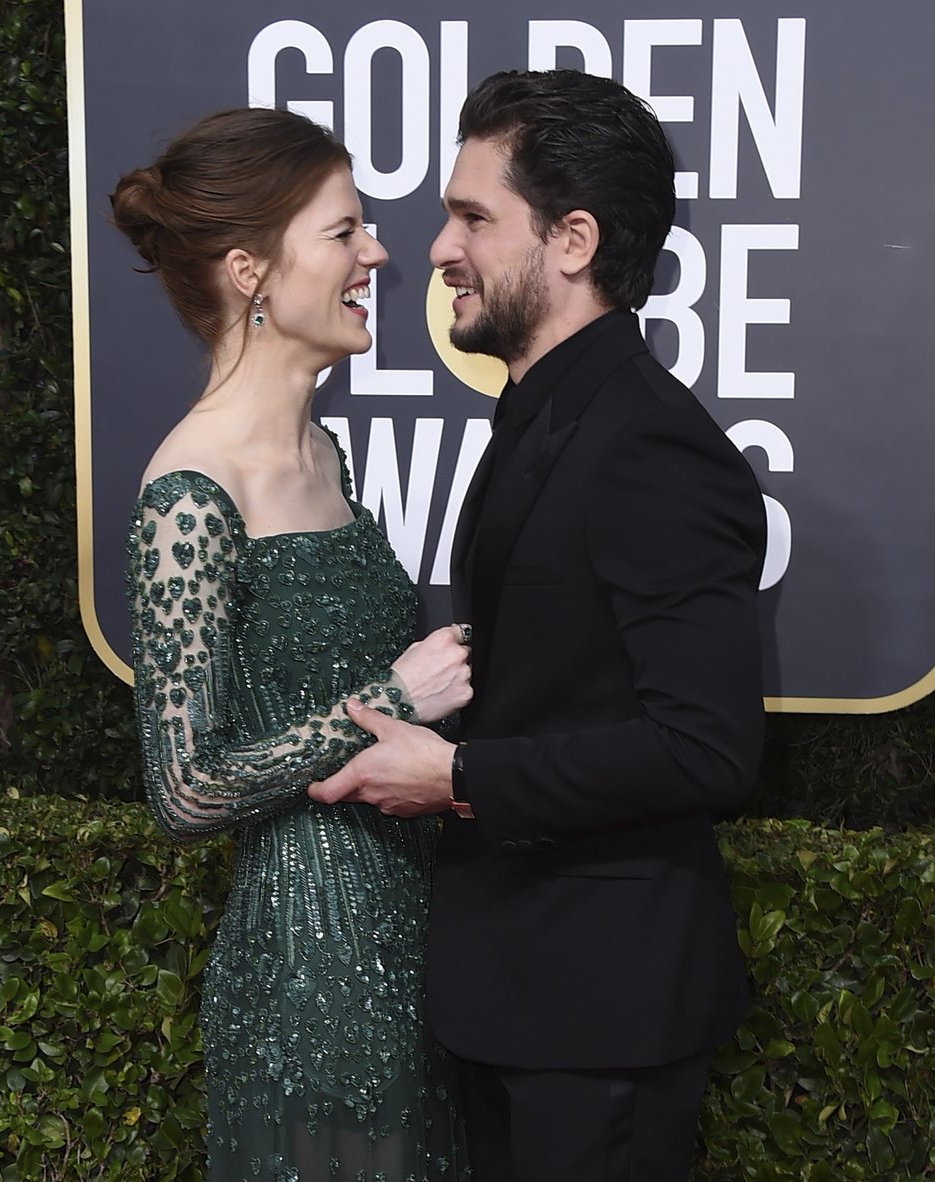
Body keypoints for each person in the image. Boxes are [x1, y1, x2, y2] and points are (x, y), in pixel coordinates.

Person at [309, 69, 767, 1182]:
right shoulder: (552, 414)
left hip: (597, 1023)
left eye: (473, 217)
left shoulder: (648, 445)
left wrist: (459, 777)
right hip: (524, 1002)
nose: (437, 249)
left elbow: (705, 747)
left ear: (571, 240)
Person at [113, 107, 472, 1182]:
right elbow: (184, 789)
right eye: (344, 231)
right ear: (249, 269)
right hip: (312, 970)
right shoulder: (190, 491)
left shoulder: (323, 450)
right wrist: (389, 702)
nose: (378, 253)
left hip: (421, 938)